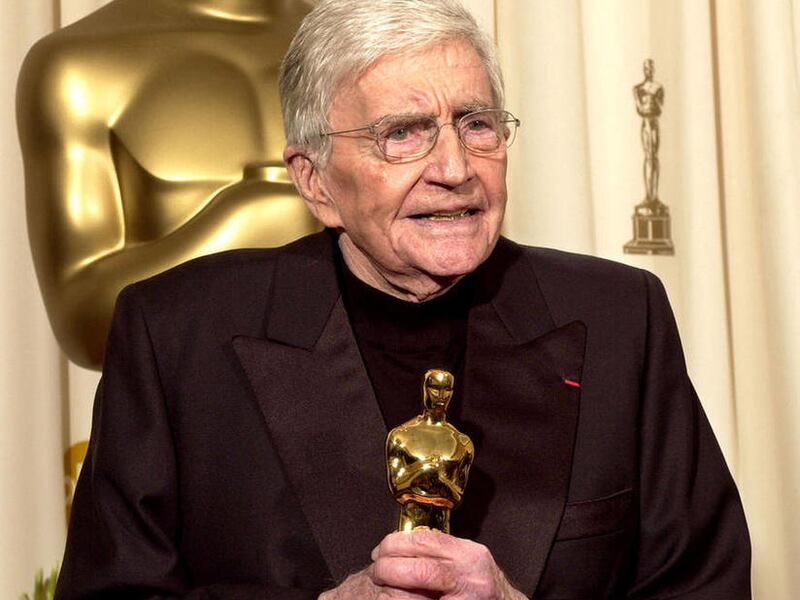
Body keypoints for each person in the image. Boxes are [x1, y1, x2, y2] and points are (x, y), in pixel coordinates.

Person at [55, 0, 751, 598]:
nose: (454, 169)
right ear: (315, 182)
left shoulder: (619, 319)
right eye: (403, 134)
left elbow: (705, 586)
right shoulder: (176, 336)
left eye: (476, 124)